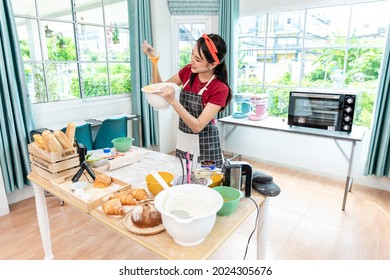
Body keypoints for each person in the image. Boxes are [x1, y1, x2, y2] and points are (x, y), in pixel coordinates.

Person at [142, 34, 232, 168]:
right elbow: (159, 89)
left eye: (198, 59)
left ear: (213, 64)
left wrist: (173, 101)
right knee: (185, 179)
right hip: (184, 140)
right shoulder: (187, 72)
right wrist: (154, 60)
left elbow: (197, 126)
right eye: (192, 55)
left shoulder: (220, 88)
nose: (192, 61)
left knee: (205, 183)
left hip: (206, 144)